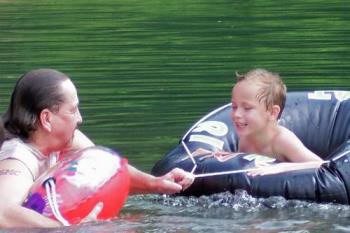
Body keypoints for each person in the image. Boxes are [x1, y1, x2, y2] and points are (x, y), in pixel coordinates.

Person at [0, 68, 194, 228]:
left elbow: (106, 171)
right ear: (47, 118)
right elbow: (3, 213)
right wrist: (70, 229)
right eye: (73, 110)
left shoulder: (65, 138)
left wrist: (157, 183)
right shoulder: (18, 159)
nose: (80, 118)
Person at [231, 68, 323, 176]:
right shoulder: (245, 140)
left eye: (247, 108)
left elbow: (320, 164)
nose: (237, 114)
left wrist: (284, 167)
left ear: (272, 112)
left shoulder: (282, 140)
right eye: (234, 106)